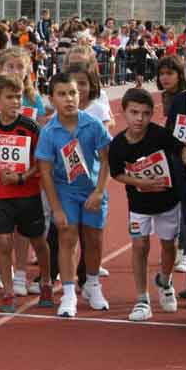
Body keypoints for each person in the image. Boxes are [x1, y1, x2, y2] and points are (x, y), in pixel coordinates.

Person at [0, 74, 54, 313]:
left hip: (28, 193)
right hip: (2, 195)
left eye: (18, 96)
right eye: (10, 97)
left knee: (38, 242)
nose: (16, 101)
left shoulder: (30, 127)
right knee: (3, 241)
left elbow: (41, 162)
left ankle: (46, 281)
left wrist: (22, 177)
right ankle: (8, 292)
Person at [37, 73, 112, 318]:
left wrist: (100, 191)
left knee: (93, 238)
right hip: (65, 191)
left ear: (80, 96)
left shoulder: (93, 124)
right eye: (62, 94)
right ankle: (68, 293)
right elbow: (45, 173)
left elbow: (105, 158)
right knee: (67, 237)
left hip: (92, 190)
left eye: (73, 93)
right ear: (52, 99)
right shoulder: (49, 132)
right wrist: (56, 208)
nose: (68, 99)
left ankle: (92, 284)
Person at [109, 88, 184, 321]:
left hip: (167, 201)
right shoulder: (118, 145)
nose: (139, 118)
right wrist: (139, 181)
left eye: (145, 113)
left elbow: (180, 148)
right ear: (124, 113)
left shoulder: (159, 135)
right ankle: (142, 299)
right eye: (134, 112)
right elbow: (117, 173)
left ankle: (164, 280)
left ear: (152, 115)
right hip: (139, 204)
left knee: (168, 246)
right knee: (140, 246)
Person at [157, 55, 186, 276]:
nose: (165, 78)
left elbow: (181, 131)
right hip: (174, 155)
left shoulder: (183, 98)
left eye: (170, 73)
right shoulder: (168, 97)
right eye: (162, 74)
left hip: (184, 157)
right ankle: (181, 246)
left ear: (180, 75)